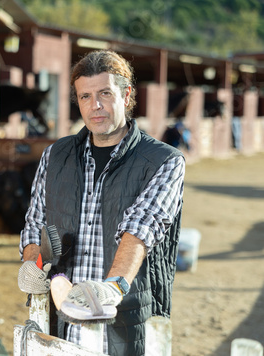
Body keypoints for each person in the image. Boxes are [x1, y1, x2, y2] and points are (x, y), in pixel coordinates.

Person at [17, 50, 185, 355]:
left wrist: (112, 287)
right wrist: (32, 262)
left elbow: (142, 226)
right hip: (60, 319)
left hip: (124, 318)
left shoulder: (164, 161)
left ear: (126, 95)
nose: (95, 106)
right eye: (85, 96)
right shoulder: (55, 156)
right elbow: (36, 224)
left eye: (105, 93)